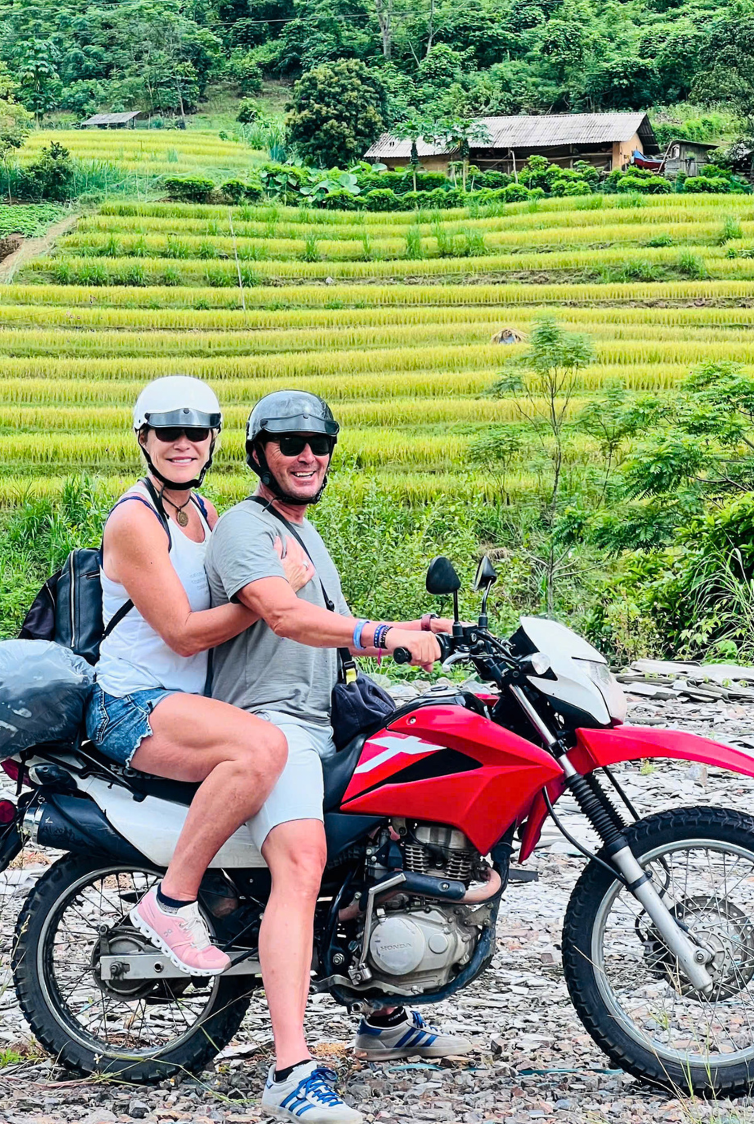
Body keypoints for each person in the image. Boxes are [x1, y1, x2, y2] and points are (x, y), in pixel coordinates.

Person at [205, 390, 473, 1124]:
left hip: (325, 722)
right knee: (302, 865)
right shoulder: (243, 529)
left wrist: (407, 626)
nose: (307, 455)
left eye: (319, 443)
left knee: (398, 832)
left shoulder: (306, 534)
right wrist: (382, 633)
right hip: (272, 729)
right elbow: (283, 614)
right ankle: (289, 1072)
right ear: (260, 454)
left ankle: (380, 1015)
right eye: (289, 443)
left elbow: (326, 625)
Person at [85, 375, 313, 977]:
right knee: (264, 747)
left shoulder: (206, 514)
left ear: (214, 440)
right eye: (168, 432)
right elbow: (183, 632)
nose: (183, 443)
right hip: (133, 702)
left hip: (190, 700)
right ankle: (170, 901)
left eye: (197, 432)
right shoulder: (136, 521)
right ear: (143, 438)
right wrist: (277, 595)